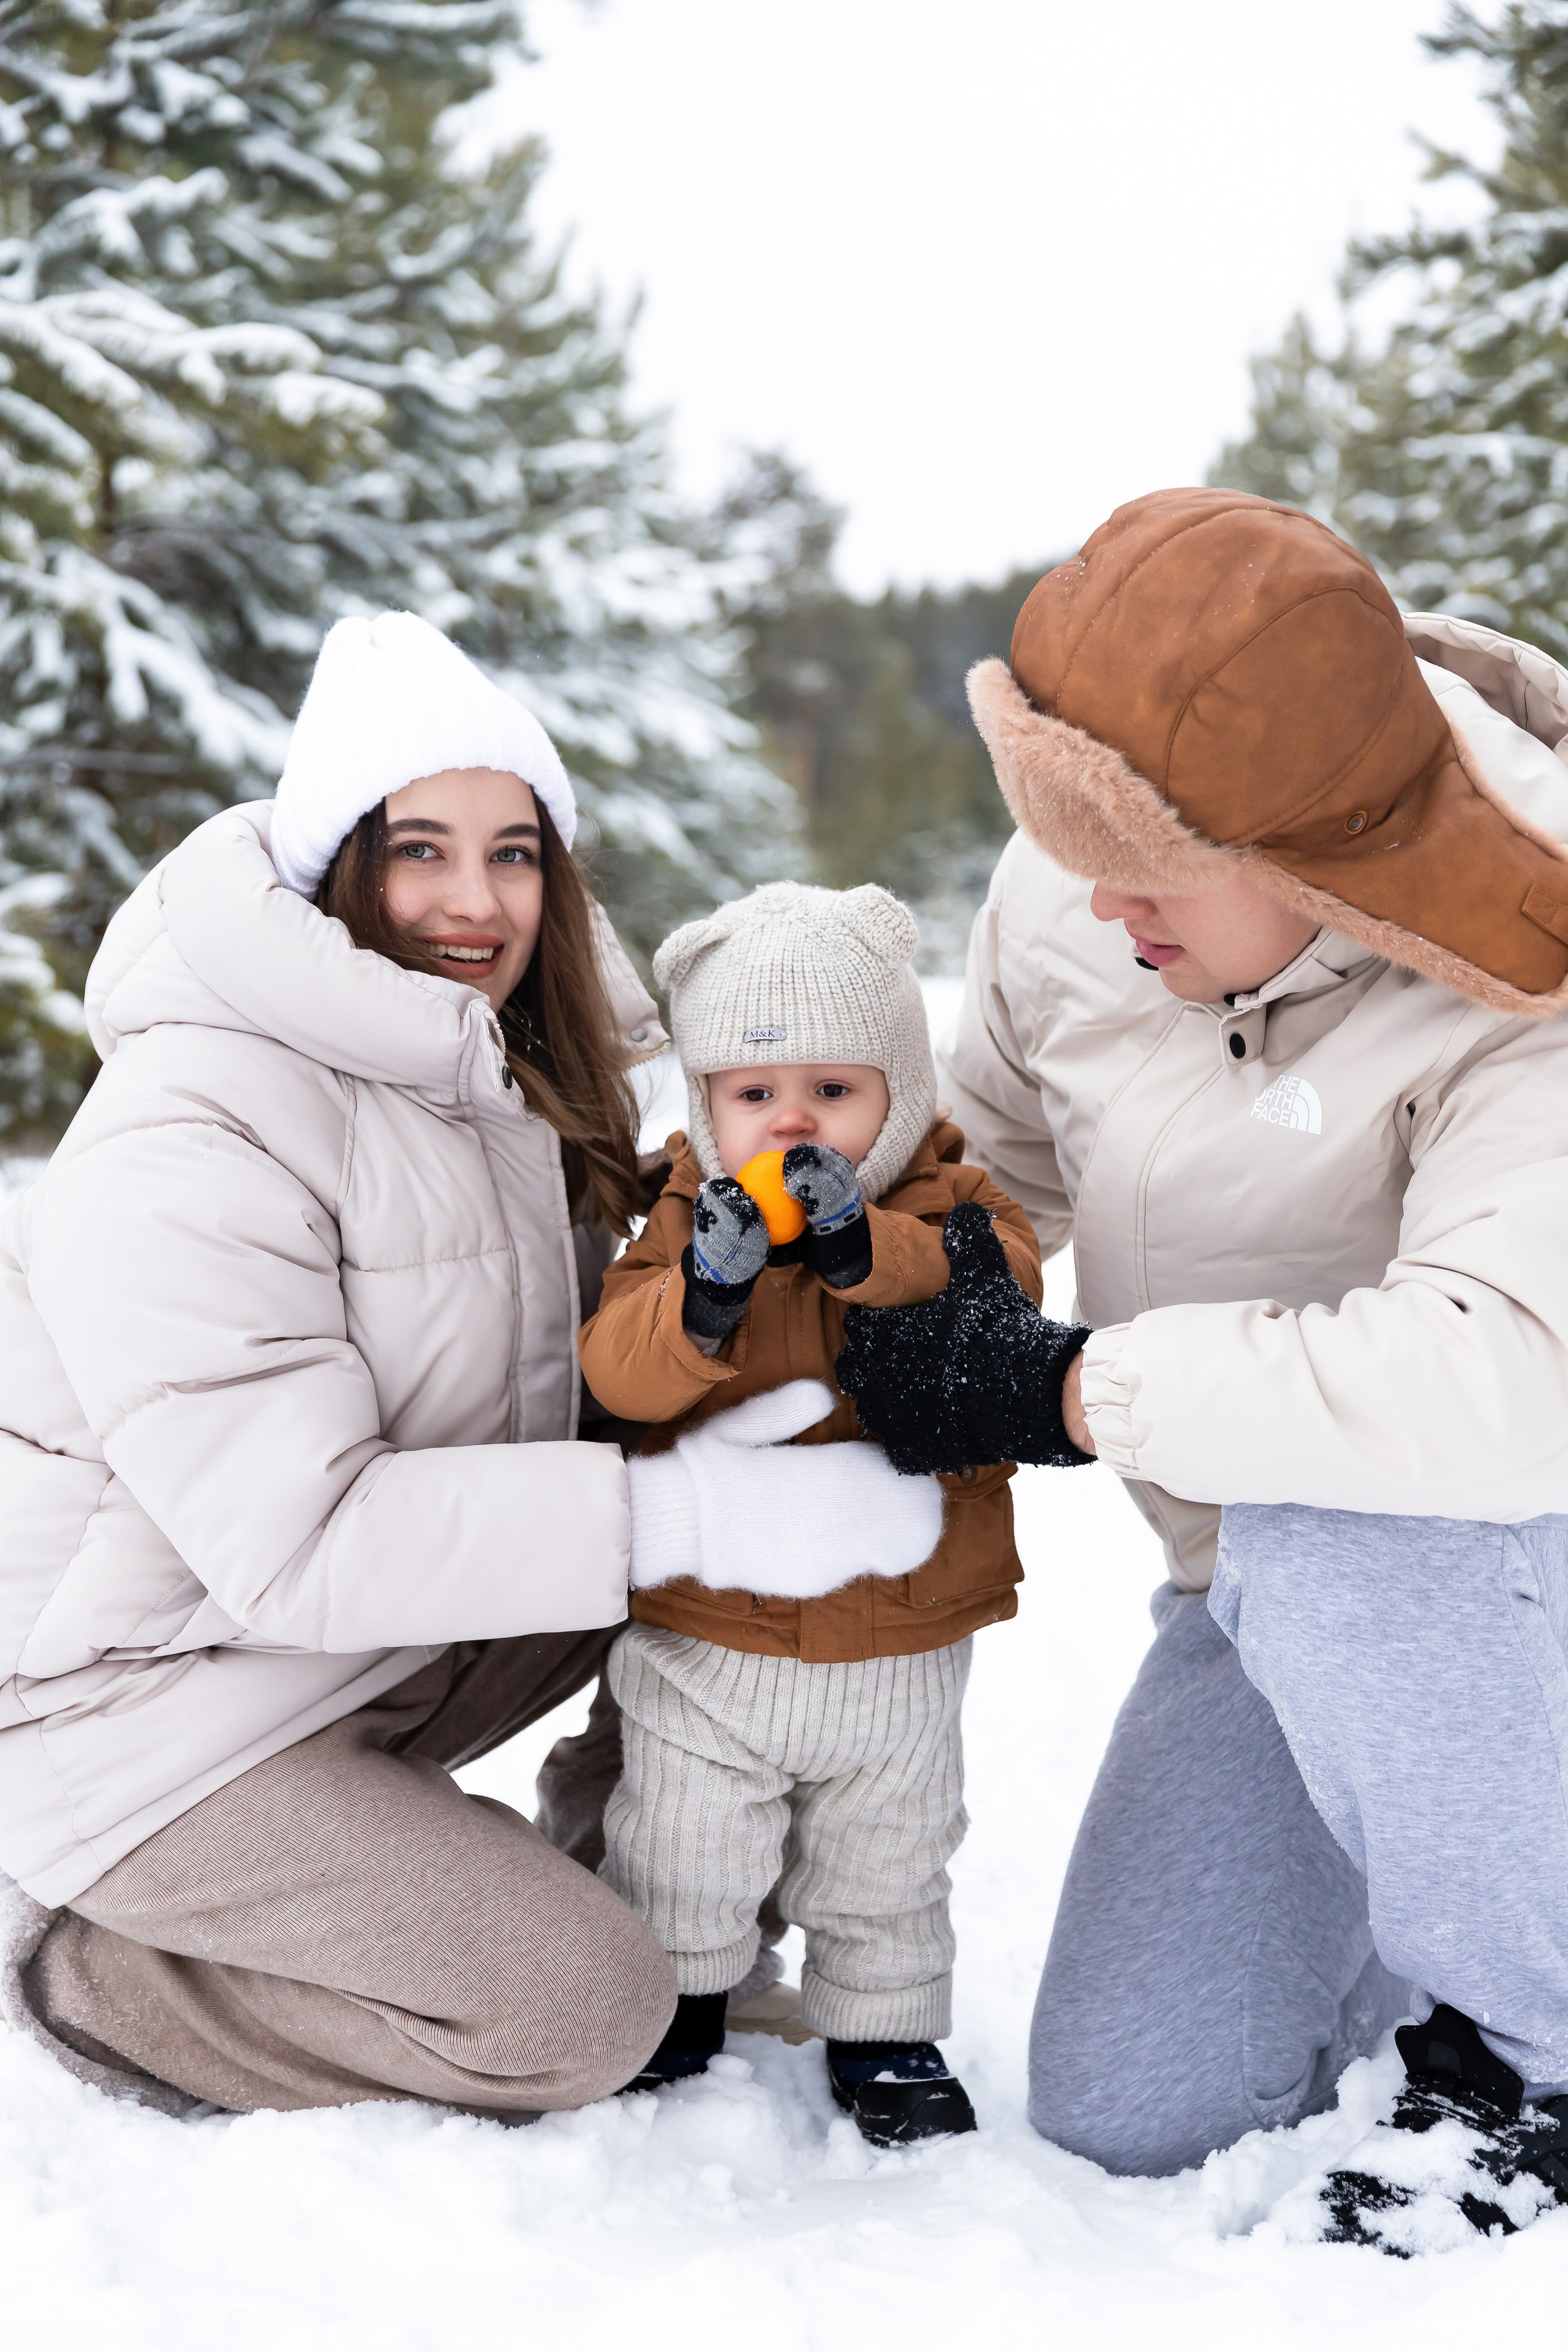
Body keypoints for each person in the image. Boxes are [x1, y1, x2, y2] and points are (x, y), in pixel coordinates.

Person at [0, 612, 935, 2120]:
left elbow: (616, 1398)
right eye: (418, 848)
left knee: (758, 1553)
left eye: (514, 854)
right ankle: (98, 1969)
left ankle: (626, 1889)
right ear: (331, 868)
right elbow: (294, 1545)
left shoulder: (497, 1084)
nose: (472, 900)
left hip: (353, 1661)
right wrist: (693, 1515)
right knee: (575, 2013)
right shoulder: (194, 1125)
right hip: (141, 1714)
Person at [836, 487, 1568, 2248]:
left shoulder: (1526, 972)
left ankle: (1537, 2048)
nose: (1099, 902)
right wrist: (856, 1281)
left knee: (1338, 1517)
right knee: (1140, 2099)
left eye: (1149, 872)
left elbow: (1510, 1382)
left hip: (1494, 1556)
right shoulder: (1079, 894)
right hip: (1272, 1591)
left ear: (1318, 857)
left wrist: (1079, 1390)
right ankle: (1471, 1884)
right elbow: (986, 1168)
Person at [577, 881, 1041, 2145]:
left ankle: (884, 2030)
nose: (790, 1122)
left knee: (888, 1845)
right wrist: (704, 1298)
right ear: (705, 1106)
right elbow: (616, 1371)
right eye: (750, 1095)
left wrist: (860, 1253)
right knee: (677, 1831)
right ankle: (676, 2002)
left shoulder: (953, 1208)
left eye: (833, 1093)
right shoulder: (682, 1217)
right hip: (706, 1631)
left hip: (898, 1637)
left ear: (899, 1093)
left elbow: (994, 1312)